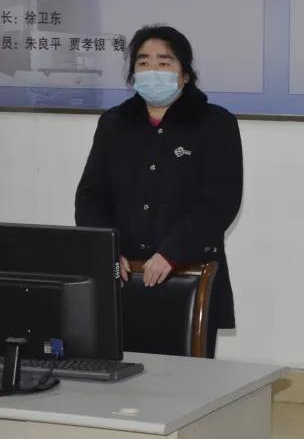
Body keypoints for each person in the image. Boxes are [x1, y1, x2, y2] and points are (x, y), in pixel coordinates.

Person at [75, 25, 242, 358]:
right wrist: (108, 250)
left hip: (188, 270)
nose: (153, 70)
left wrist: (171, 253)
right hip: (122, 274)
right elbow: (91, 197)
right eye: (144, 62)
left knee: (186, 379)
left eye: (164, 62)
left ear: (185, 74)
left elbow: (220, 201)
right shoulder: (114, 123)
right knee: (119, 373)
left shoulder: (215, 123)